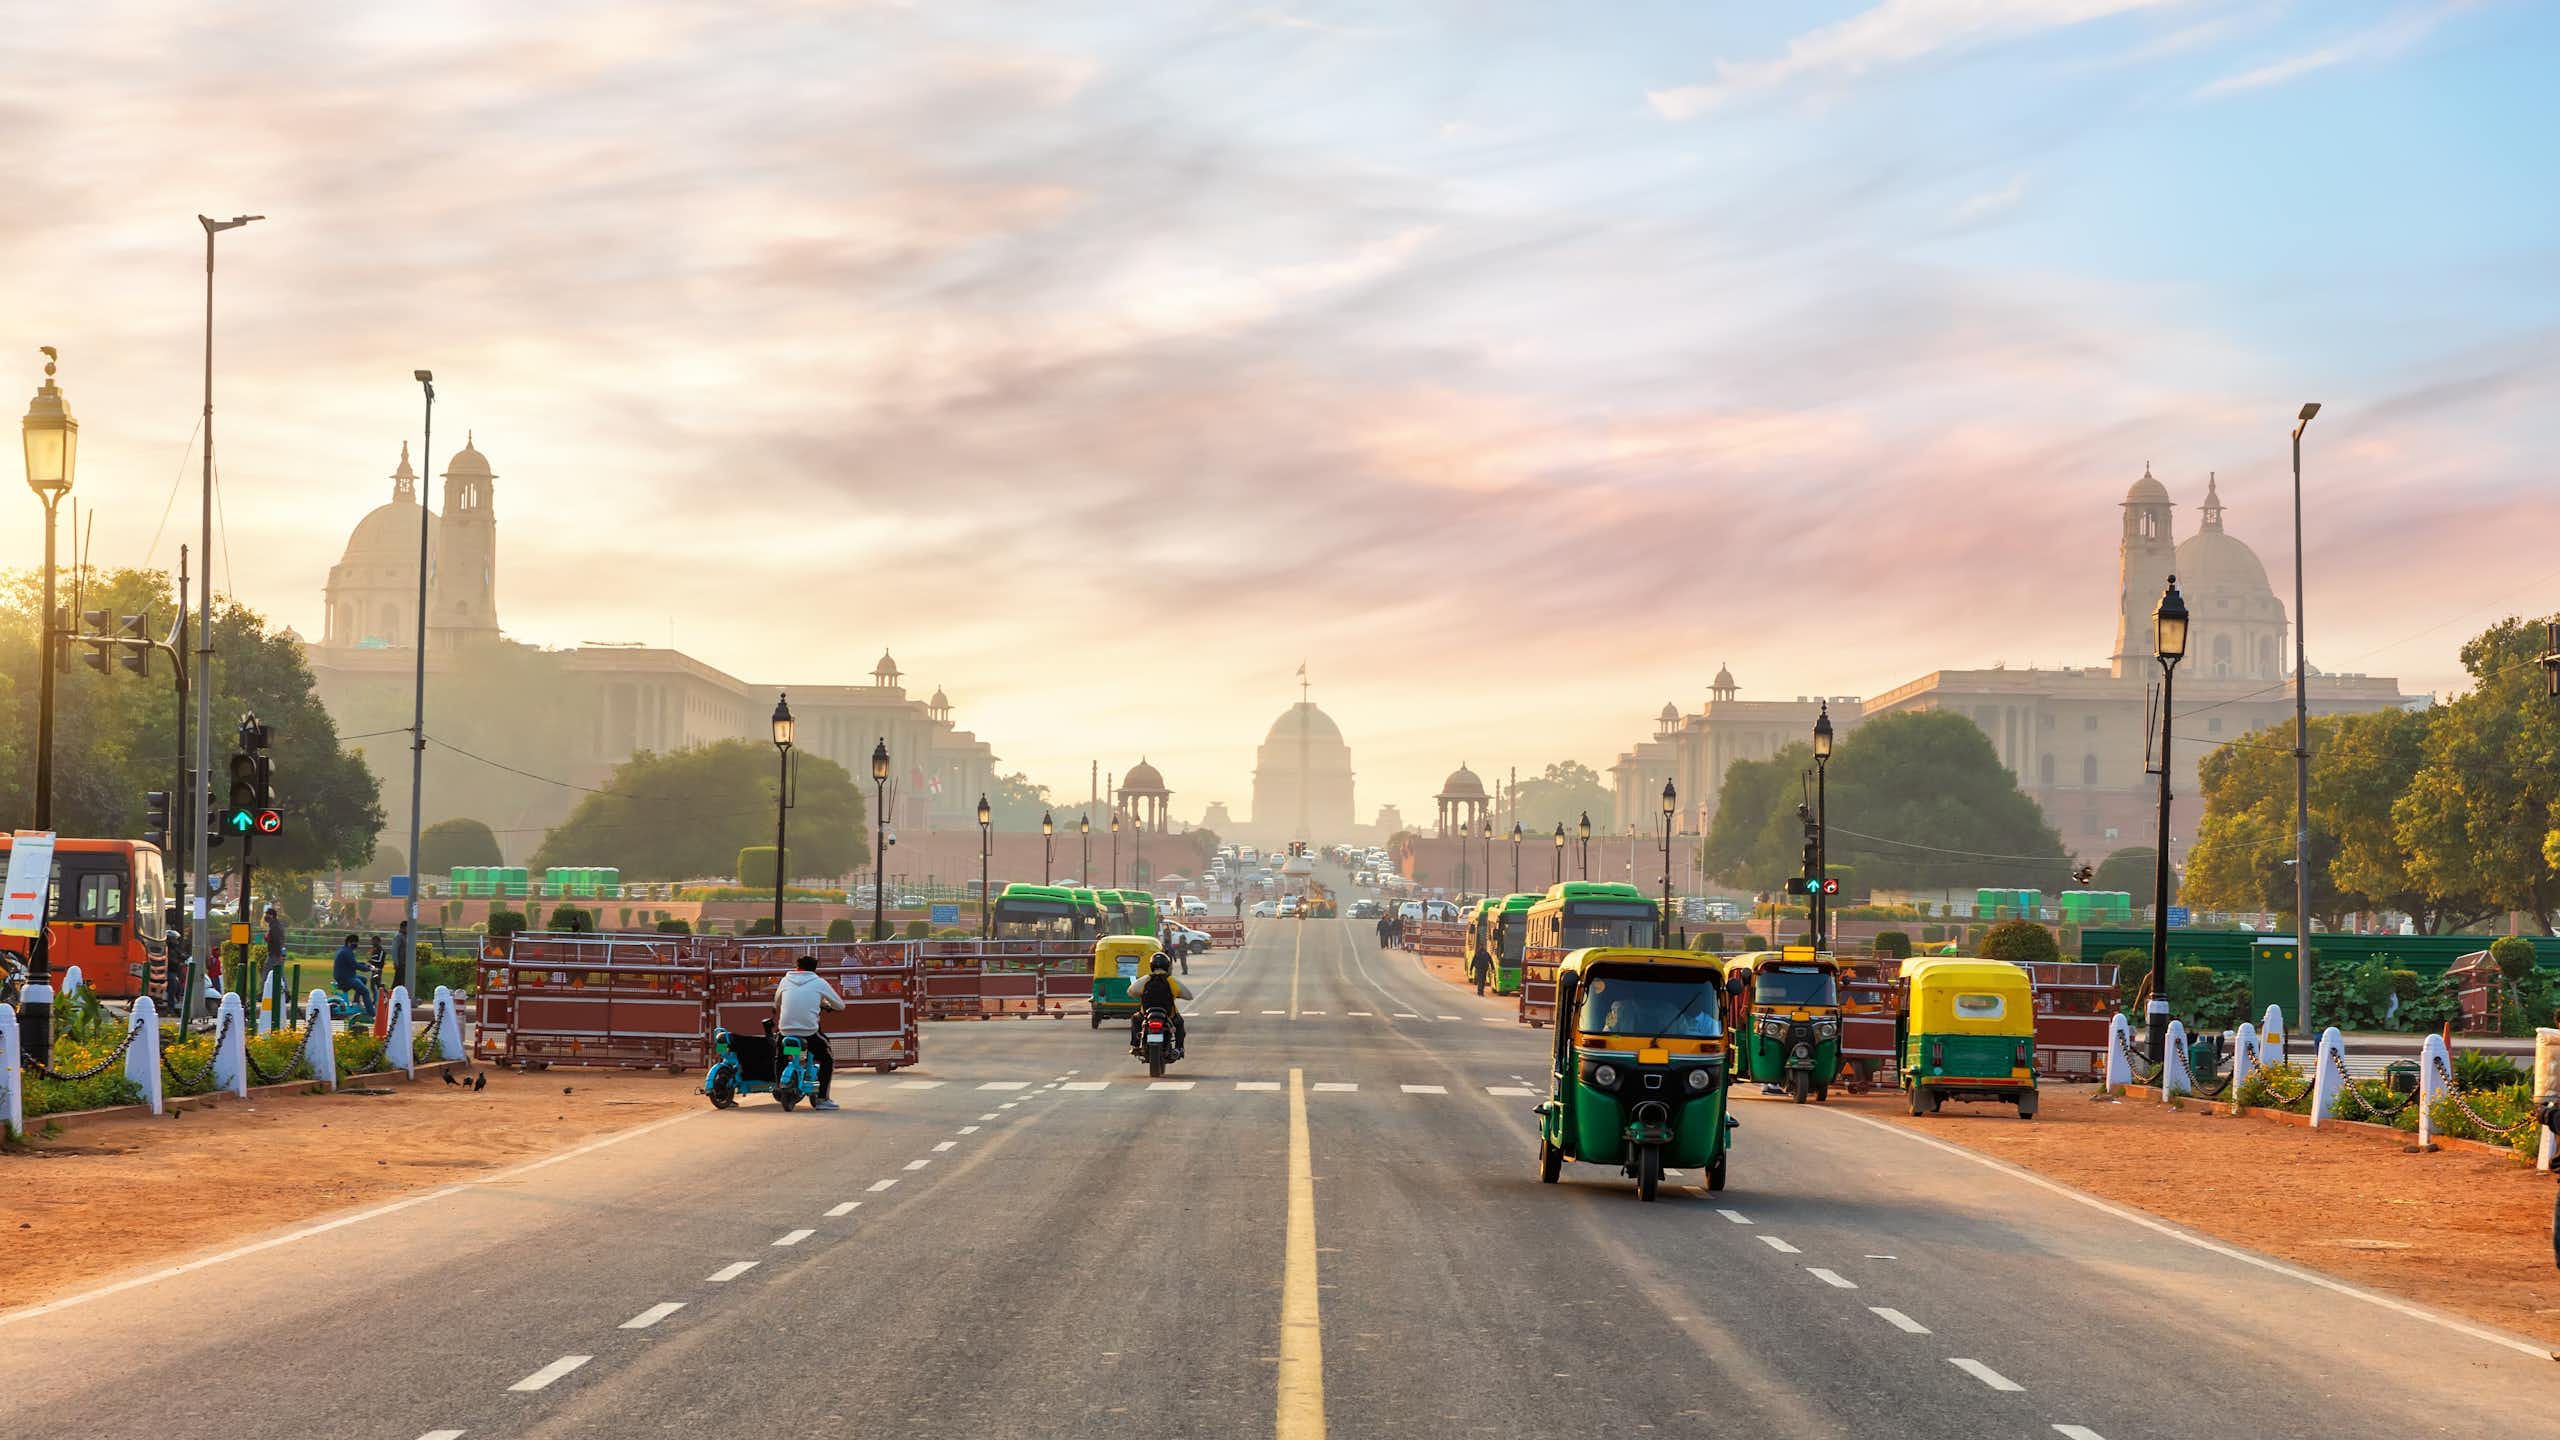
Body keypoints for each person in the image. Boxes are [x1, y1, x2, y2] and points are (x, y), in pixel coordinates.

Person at [773, 954, 846, 1110]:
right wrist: (824, 1004)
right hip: (809, 1032)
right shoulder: (819, 982)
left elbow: (777, 1001)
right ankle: (822, 1099)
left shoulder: (785, 980)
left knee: (780, 1057)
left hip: (785, 1030)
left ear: (796, 967)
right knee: (827, 1059)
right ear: (814, 969)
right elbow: (840, 1005)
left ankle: (779, 1088)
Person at [1127, 953, 1190, 1056]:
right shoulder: (1170, 980)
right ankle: (1179, 1048)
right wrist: (1177, 995)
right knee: (1179, 1023)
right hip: (1168, 1015)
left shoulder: (1146, 979)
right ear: (1167, 965)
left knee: (1135, 1019)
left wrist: (1140, 994)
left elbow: (1130, 991)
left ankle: (1135, 1045)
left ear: (1151, 965)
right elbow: (1188, 996)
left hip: (1146, 1014)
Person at [332, 933, 372, 1012]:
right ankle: (372, 1015)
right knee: (365, 992)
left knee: (363, 979)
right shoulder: (347, 952)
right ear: (349, 943)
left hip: (346, 976)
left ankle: (356, 1002)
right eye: (355, 943)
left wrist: (364, 964)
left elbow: (352, 963)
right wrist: (368, 969)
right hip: (346, 978)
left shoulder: (344, 950)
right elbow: (355, 965)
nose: (357, 945)